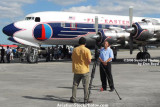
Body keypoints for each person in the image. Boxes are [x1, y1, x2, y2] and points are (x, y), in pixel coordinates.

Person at [70, 37, 92, 103]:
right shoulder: (87, 50)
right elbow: (89, 60)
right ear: (85, 43)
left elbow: (72, 58)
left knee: (75, 85)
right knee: (85, 85)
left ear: (79, 43)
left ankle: (73, 98)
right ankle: (86, 99)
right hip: (84, 70)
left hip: (76, 69)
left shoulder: (75, 50)